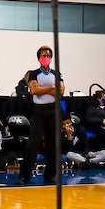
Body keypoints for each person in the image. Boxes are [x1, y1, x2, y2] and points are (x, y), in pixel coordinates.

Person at [19, 45, 66, 184]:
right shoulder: (34, 74)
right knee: (33, 143)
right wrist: (52, 87)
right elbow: (33, 90)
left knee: (53, 143)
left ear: (51, 58)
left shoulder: (57, 74)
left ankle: (50, 176)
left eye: (48, 56)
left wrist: (43, 89)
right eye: (43, 56)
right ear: (39, 58)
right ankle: (24, 176)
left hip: (53, 111)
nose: (46, 58)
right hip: (39, 111)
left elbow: (61, 91)